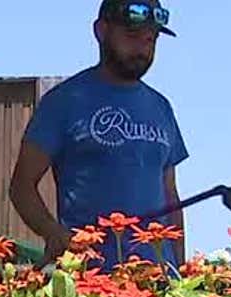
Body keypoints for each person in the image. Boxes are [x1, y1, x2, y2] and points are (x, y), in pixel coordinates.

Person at [10, 0, 187, 270]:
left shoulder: (161, 107)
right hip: (92, 278)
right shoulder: (64, 101)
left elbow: (171, 197)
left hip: (157, 279)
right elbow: (21, 186)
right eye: (132, 35)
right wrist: (52, 232)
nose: (143, 48)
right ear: (101, 31)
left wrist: (181, 273)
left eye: (150, 39)